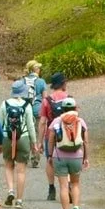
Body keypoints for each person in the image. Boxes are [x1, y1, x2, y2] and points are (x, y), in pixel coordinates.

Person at [0, 77, 40, 208]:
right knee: (21, 170)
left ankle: (10, 190)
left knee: (8, 166)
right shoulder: (27, 105)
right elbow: (31, 126)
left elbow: (0, 123)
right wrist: (34, 143)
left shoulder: (5, 104)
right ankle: (19, 201)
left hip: (7, 137)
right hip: (23, 138)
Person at [49, 95, 88, 209]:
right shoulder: (80, 121)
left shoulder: (57, 121)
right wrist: (86, 157)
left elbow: (51, 140)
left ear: (63, 108)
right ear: (75, 108)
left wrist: (50, 155)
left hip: (59, 156)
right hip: (76, 156)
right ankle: (76, 208)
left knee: (63, 186)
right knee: (75, 183)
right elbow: (85, 141)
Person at [41, 72, 69, 201]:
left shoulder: (47, 100)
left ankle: (51, 188)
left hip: (51, 134)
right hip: (68, 134)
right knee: (67, 158)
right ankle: (68, 186)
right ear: (63, 83)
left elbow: (42, 121)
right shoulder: (69, 98)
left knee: (50, 160)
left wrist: (39, 141)